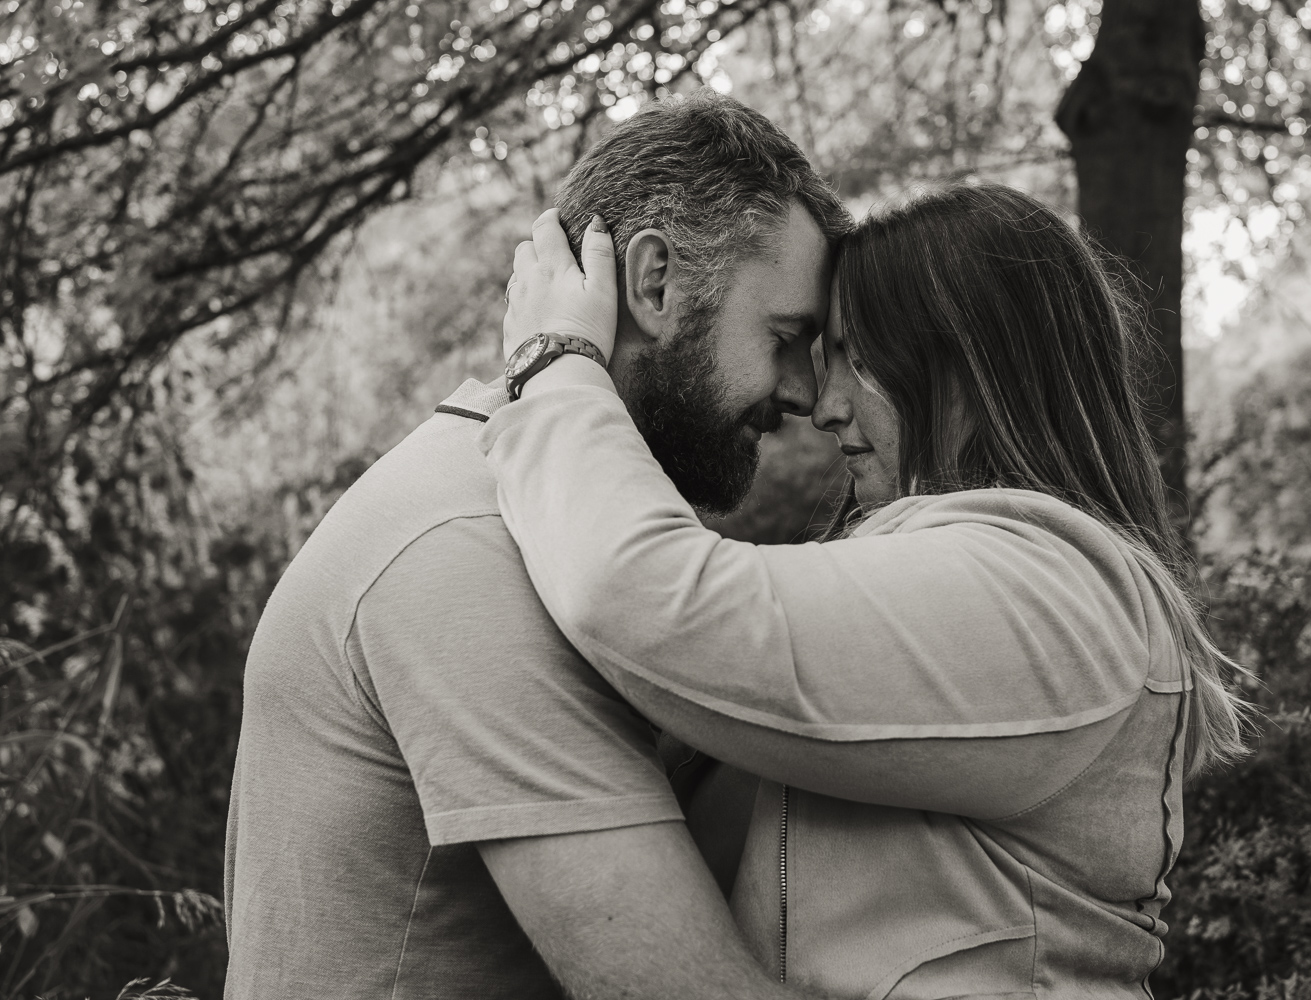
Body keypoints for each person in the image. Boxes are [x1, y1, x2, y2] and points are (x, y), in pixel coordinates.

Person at [482, 183, 1255, 999]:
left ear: (968, 363)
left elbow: (641, 594)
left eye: (855, 354)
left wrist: (556, 363)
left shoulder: (1050, 588)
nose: (825, 404)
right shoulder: (993, 572)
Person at [223, 91, 851, 999]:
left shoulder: (547, 518)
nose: (802, 393)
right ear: (656, 284)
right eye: (785, 337)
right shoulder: (465, 549)